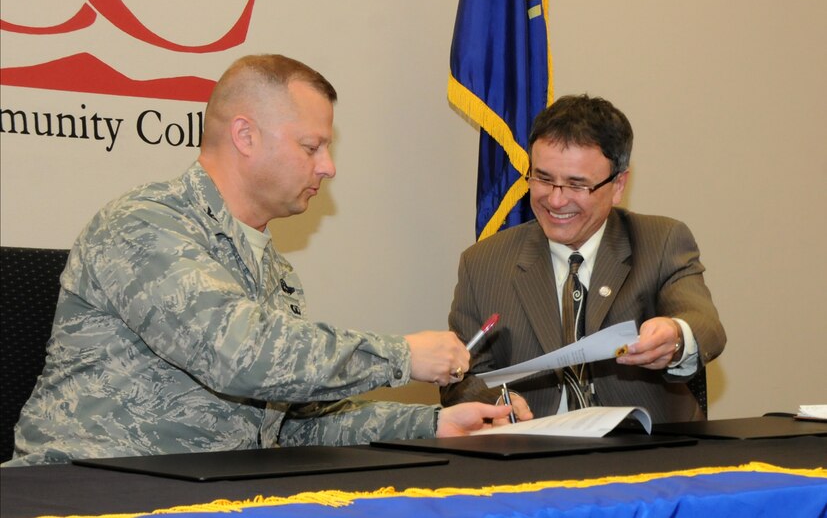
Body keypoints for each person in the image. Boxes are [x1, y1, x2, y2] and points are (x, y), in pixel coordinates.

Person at [6, 54, 511, 467]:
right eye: (311, 146)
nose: (328, 167)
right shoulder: (141, 224)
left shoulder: (274, 271)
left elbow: (295, 424)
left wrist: (435, 425)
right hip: (87, 489)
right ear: (245, 136)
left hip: (211, 492)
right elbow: (240, 357)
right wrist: (402, 355)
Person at [440, 94, 726, 424]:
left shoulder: (660, 241)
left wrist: (676, 336)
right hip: (530, 459)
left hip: (643, 456)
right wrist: (500, 401)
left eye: (577, 185)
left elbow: (705, 324)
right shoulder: (483, 263)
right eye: (543, 178)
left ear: (618, 185)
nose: (556, 200)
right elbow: (461, 380)